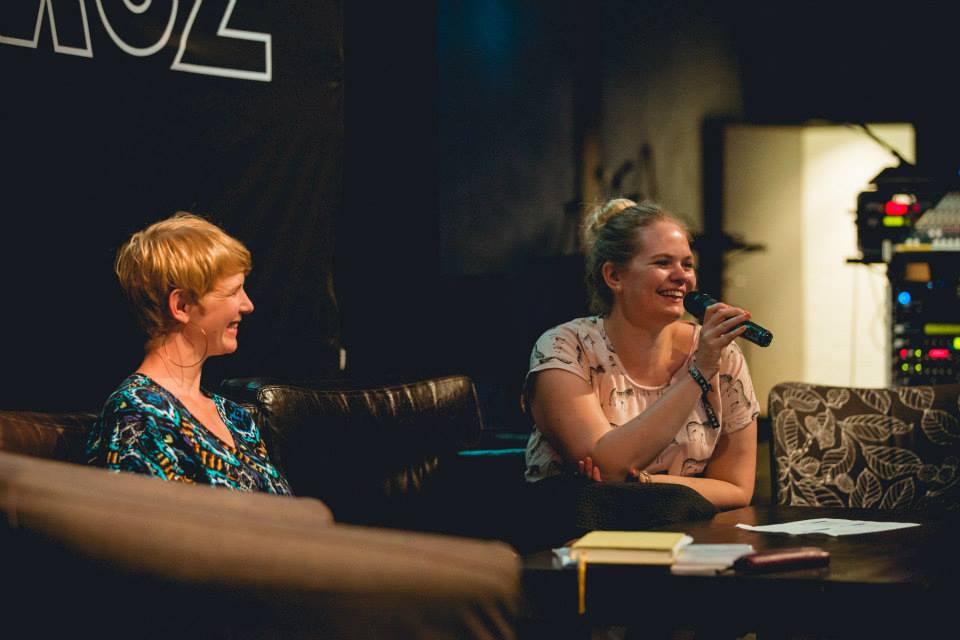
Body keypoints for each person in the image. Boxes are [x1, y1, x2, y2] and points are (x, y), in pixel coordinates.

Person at [524, 198, 759, 510]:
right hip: (574, 536)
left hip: (685, 533)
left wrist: (646, 482)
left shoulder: (720, 352)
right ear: (614, 277)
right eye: (663, 263)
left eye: (687, 264)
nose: (682, 277)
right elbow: (606, 467)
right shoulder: (565, 347)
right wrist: (698, 373)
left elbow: (737, 488)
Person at [86, 212, 291, 495]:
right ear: (181, 306)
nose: (248, 305)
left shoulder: (234, 416)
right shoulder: (139, 415)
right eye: (234, 292)